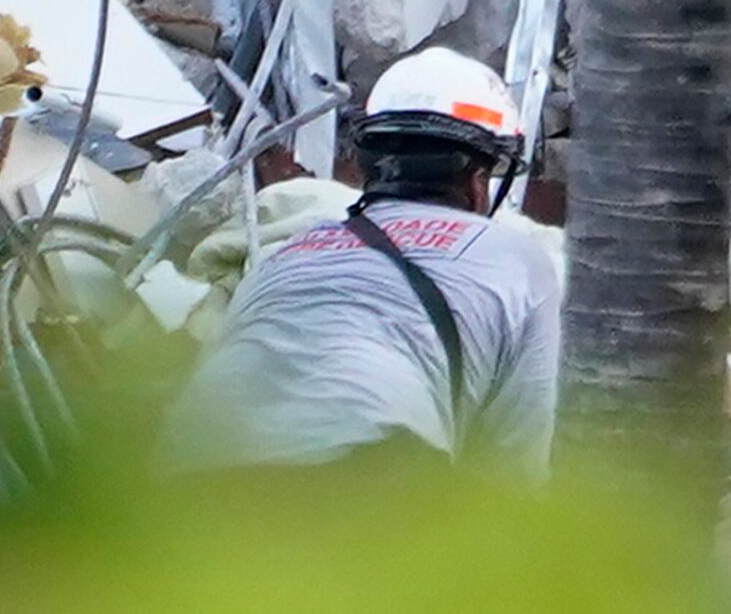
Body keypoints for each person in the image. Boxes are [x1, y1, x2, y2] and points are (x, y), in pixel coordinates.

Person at [159, 49, 563, 472]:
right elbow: (513, 469)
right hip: (367, 470)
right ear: (479, 181)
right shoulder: (517, 260)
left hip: (194, 472)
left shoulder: (287, 254)